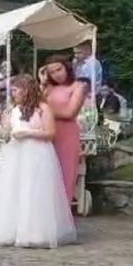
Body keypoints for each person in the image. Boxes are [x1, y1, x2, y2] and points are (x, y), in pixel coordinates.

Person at [0, 75, 76, 248]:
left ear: (26, 90)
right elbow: (5, 136)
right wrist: (6, 127)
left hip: (36, 153)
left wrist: (29, 133)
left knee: (34, 190)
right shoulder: (12, 110)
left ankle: (36, 232)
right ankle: (11, 229)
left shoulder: (43, 109)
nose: (13, 94)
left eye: (16, 90)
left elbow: (50, 133)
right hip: (14, 154)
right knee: (13, 189)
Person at [41, 55, 87, 203]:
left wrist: (47, 111)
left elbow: (70, 112)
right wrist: (42, 82)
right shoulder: (48, 88)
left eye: (59, 69)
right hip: (47, 133)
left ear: (66, 67)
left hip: (67, 134)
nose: (57, 74)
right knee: (46, 172)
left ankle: (64, 214)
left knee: (66, 173)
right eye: (52, 72)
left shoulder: (78, 86)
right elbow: (36, 105)